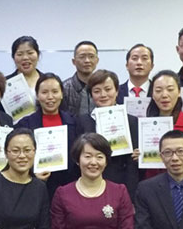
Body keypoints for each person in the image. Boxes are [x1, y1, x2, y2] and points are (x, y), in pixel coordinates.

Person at [76, 69, 139, 200]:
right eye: (97, 91)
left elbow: (132, 164)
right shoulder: (82, 121)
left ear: (117, 91)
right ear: (91, 95)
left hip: (122, 184)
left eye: (108, 89)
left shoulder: (131, 121)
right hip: (90, 185)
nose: (103, 95)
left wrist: (130, 194)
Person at [16, 73, 79, 198]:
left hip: (69, 186)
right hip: (35, 188)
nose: (50, 97)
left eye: (55, 92)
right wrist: (32, 173)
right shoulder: (25, 124)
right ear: (37, 95)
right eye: (44, 92)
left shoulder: (74, 122)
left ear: (62, 94)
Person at [145, 70, 183, 176]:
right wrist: (140, 156)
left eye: (170, 89)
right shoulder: (144, 126)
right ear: (152, 94)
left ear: (179, 92)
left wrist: (178, 160)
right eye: (158, 90)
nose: (164, 95)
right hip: (152, 182)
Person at [61, 40, 99, 117]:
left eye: (91, 56)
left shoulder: (102, 86)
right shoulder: (64, 88)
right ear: (74, 61)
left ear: (97, 60)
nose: (87, 60)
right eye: (82, 57)